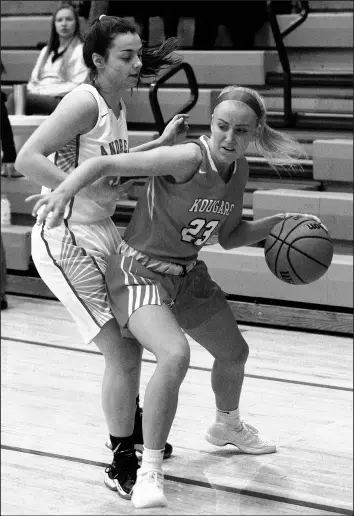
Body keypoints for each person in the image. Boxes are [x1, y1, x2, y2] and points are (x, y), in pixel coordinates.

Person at [25, 84, 322, 509]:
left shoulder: (236, 170)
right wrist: (63, 190)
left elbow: (231, 236)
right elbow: (106, 162)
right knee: (174, 354)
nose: (228, 138)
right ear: (211, 123)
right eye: (222, 126)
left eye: (240, 131)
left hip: (186, 275)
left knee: (234, 352)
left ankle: (227, 425)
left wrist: (279, 223)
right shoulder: (188, 158)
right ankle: (148, 469)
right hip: (138, 271)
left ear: (254, 133)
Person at [15, 14, 188, 501]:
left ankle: (130, 425)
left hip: (101, 231)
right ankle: (120, 457)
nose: (137, 65)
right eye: (126, 57)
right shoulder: (84, 100)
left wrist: (158, 145)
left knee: (131, 336)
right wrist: (68, 188)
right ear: (97, 60)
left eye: (138, 55)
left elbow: (110, 167)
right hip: (65, 236)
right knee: (124, 349)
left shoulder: (114, 103)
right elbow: (28, 157)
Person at [7, 4, 87, 115]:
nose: (64, 24)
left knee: (14, 99)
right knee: (15, 97)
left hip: (63, 99)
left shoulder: (81, 50)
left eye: (68, 19)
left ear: (76, 24)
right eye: (59, 20)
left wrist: (44, 91)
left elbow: (78, 84)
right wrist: (34, 91)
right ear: (54, 25)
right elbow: (33, 81)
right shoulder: (46, 51)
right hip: (41, 95)